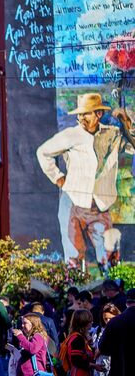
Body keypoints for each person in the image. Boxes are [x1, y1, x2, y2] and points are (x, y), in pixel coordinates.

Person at [36, 92, 134, 268]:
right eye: (79, 114)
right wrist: (58, 178)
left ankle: (108, 289)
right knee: (73, 254)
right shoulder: (71, 135)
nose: (81, 118)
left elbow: (132, 148)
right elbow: (43, 152)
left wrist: (128, 126)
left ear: (98, 114)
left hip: (99, 204)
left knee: (108, 254)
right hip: (73, 200)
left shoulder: (112, 134)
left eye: (86, 113)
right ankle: (73, 291)